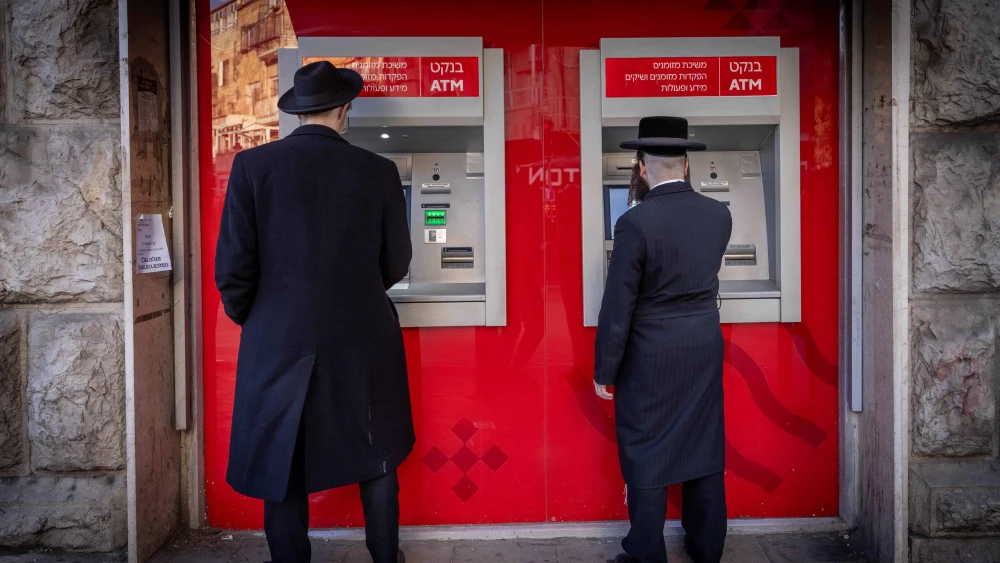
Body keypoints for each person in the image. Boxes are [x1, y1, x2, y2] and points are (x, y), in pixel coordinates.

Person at [215, 61, 413, 563]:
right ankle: (385, 556)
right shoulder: (380, 171)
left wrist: (264, 318)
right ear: (344, 111)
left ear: (299, 115)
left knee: (283, 448)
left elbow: (233, 269)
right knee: (376, 446)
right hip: (363, 334)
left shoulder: (252, 167)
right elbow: (396, 261)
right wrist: (355, 297)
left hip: (277, 337)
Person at [594, 117, 733, 563]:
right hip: (703, 345)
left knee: (646, 451)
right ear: (687, 165)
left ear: (640, 167)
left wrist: (605, 370)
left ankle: (646, 554)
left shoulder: (634, 223)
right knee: (704, 443)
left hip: (651, 352)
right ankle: (706, 547)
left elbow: (619, 307)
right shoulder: (719, 215)